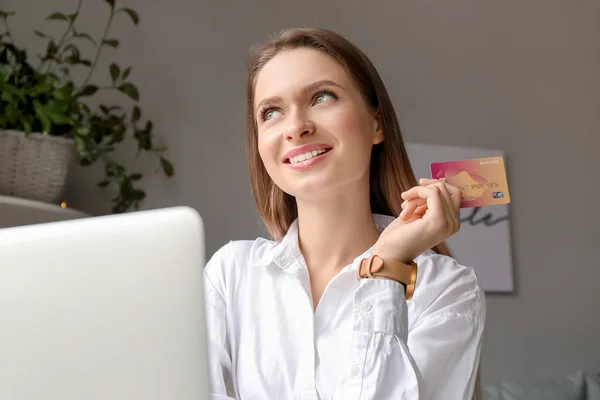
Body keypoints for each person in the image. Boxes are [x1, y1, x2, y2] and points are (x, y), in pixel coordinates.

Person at [202, 28, 486, 400]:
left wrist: (388, 266)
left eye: (322, 97)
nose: (295, 127)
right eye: (271, 112)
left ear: (376, 124)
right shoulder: (229, 276)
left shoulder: (444, 288)